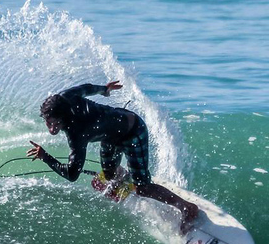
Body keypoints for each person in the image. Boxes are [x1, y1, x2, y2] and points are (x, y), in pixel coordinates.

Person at [26, 81, 199, 233]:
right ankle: (124, 177)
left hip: (133, 132)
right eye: (48, 122)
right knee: (109, 175)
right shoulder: (64, 98)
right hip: (110, 136)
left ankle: (186, 208)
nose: (51, 128)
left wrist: (45, 157)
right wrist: (104, 89)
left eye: (55, 123)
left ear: (65, 117)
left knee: (142, 188)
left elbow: (72, 175)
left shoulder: (77, 133)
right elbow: (85, 88)